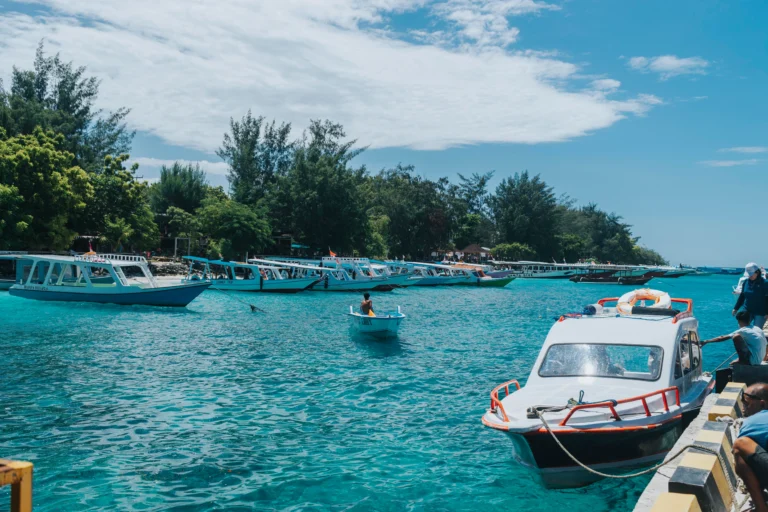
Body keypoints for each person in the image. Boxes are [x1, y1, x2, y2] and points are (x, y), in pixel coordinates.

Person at [733, 383, 768, 512]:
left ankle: (761, 508)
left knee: (740, 445)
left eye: (746, 403)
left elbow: (741, 459)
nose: (743, 407)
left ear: (762, 404)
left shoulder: (752, 422)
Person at [700, 310, 767, 365]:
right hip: (760, 359)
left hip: (753, 361)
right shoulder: (757, 328)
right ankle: (742, 359)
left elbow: (722, 337)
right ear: (749, 320)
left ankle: (742, 361)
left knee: (736, 337)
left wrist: (706, 341)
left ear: (739, 321)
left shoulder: (743, 330)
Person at [735, 262, 768, 329]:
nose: (750, 276)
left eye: (751, 274)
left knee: (757, 331)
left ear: (757, 272)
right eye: (749, 274)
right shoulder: (746, 282)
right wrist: (736, 308)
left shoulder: (765, 283)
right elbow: (742, 296)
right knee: (742, 329)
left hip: (760, 312)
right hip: (747, 310)